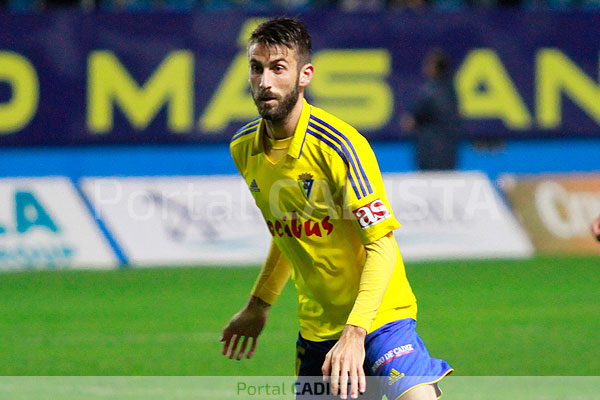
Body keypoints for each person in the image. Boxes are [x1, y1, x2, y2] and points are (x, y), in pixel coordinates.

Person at [221, 17, 452, 400]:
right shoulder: (244, 149)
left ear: (304, 75)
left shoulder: (340, 146)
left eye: (279, 69)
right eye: (256, 68)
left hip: (379, 321)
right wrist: (258, 306)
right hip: (317, 330)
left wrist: (356, 332)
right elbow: (288, 232)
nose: (265, 82)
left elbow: (383, 245)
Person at [401, 48, 460, 171]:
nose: (426, 67)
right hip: (449, 153)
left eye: (429, 64)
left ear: (435, 68)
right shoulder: (452, 91)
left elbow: (411, 122)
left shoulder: (429, 93)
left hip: (430, 153)